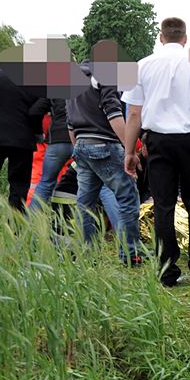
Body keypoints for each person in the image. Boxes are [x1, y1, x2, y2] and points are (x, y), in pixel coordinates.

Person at [123, 18, 190, 287]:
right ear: (185, 39)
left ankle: (167, 270)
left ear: (161, 37)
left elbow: (134, 114)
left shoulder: (142, 66)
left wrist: (130, 151)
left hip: (159, 142)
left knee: (164, 205)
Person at [66, 61, 142, 264]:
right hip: (104, 145)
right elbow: (114, 114)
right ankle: (130, 254)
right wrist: (130, 149)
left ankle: (88, 253)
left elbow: (70, 124)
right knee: (127, 197)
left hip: (81, 145)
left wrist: (78, 149)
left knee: (85, 203)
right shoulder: (105, 78)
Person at [28, 98, 121, 226]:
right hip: (84, 138)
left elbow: (34, 111)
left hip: (58, 142)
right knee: (104, 187)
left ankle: (28, 226)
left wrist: (39, 133)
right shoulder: (90, 87)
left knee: (45, 183)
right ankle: (123, 233)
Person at [0, 67, 44, 214]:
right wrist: (37, 133)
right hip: (23, 139)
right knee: (19, 182)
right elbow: (36, 112)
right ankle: (15, 222)